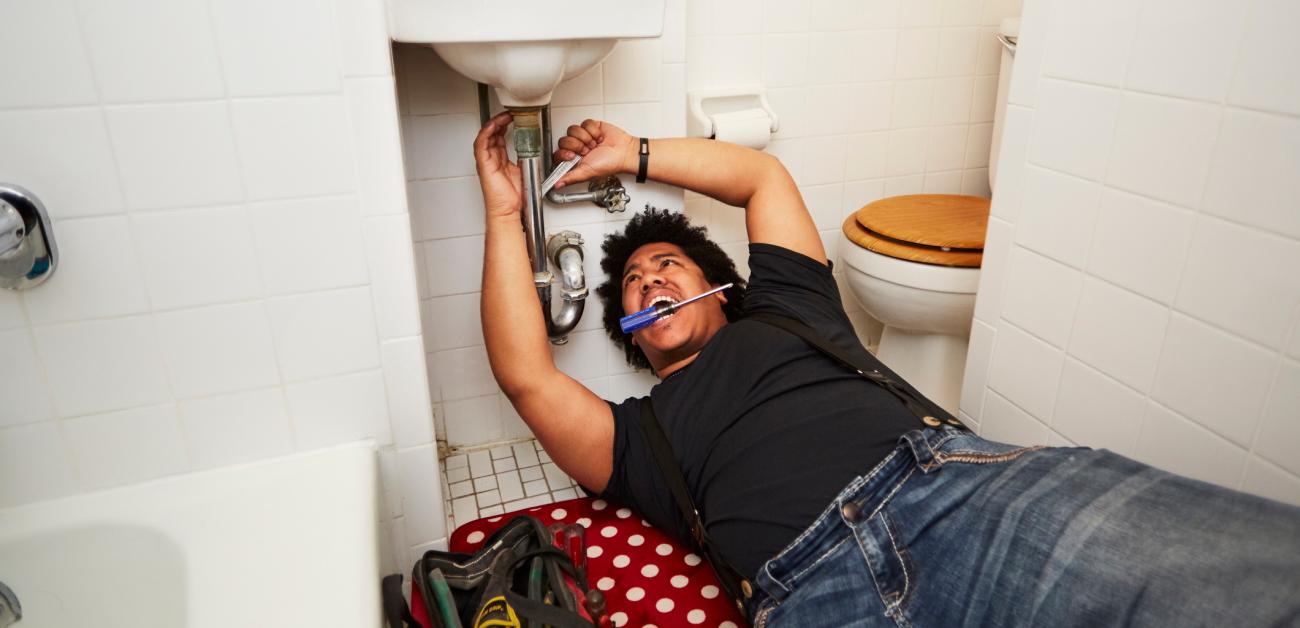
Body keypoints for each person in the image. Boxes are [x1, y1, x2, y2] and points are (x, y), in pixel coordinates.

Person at [473, 112, 1300, 627]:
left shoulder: (791, 308)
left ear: (717, 283)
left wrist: (637, 151)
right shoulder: (643, 438)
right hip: (815, 592)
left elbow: (763, 176)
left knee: (1234, 586)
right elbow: (527, 376)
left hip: (957, 496)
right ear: (630, 332)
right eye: (634, 287)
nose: (649, 281)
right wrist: (507, 210)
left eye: (665, 265)